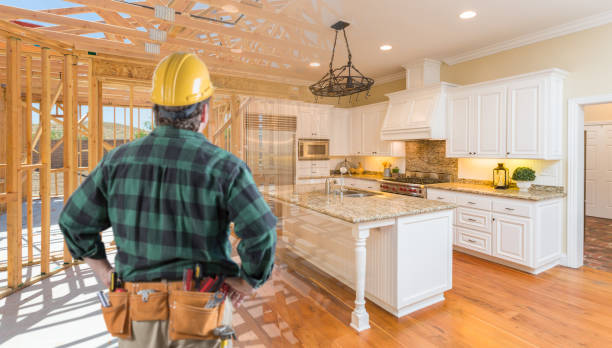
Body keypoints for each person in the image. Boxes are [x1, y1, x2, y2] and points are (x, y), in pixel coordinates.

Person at [59, 52, 277, 347]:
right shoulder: (226, 167)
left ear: (155, 112)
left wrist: (104, 272)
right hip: (202, 310)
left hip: (138, 311)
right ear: (203, 113)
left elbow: (73, 222)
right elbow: (261, 231)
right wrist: (248, 280)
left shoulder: (116, 162)